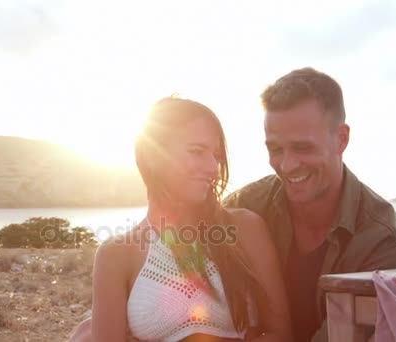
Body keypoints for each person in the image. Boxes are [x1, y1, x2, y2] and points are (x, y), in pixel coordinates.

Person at [222, 67, 396, 342]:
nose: (287, 165)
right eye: (275, 149)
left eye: (303, 148)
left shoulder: (387, 245)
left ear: (342, 139)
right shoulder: (246, 205)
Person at [71, 96, 293, 341]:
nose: (212, 167)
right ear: (154, 154)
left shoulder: (245, 229)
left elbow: (281, 335)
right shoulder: (115, 255)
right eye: (197, 151)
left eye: (217, 156)